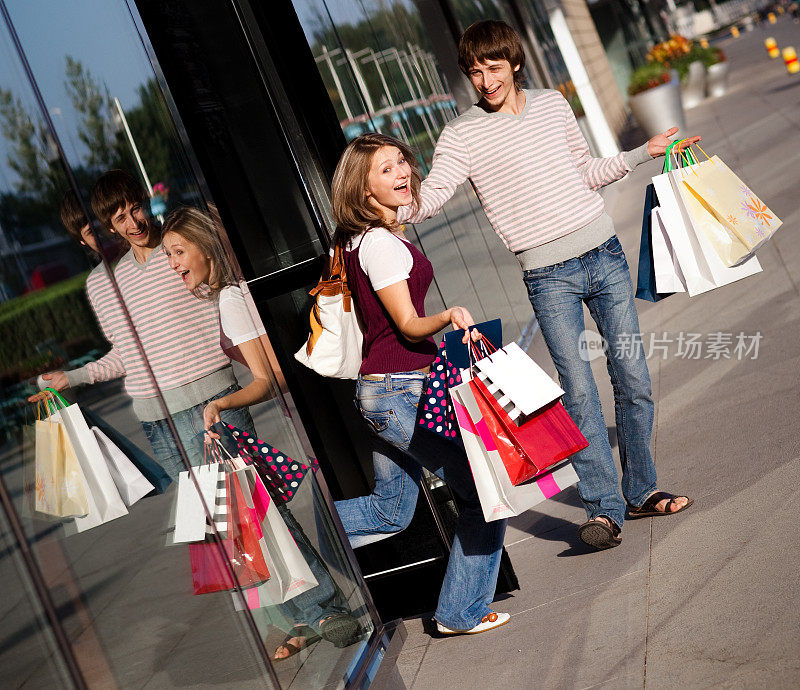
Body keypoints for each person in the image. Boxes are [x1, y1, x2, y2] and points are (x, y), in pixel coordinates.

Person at [395, 20, 695, 550]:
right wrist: (395, 203)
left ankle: (641, 490)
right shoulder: (462, 134)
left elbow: (584, 170)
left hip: (604, 254)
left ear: (513, 62)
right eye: (473, 71)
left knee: (633, 377)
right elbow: (433, 194)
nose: (484, 80)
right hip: (547, 275)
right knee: (577, 391)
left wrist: (644, 152)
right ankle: (604, 510)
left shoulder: (554, 105)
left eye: (492, 67)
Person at [161, 207, 361, 660]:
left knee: (275, 517)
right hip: (325, 399)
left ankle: (328, 605)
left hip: (313, 408)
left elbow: (267, 379)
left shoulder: (231, 300)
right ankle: (317, 608)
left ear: (204, 246)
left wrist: (220, 403)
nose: (173, 264)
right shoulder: (234, 291)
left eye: (177, 251)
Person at [330, 132, 509, 635]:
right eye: (385, 170)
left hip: (390, 388)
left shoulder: (362, 242)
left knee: (391, 512)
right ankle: (459, 611)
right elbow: (407, 325)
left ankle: (308, 534)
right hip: (400, 390)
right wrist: (448, 315)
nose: (402, 171)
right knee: (482, 492)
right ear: (363, 192)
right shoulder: (381, 245)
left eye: (401, 161)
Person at [33, 170, 255, 479]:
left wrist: (263, 369)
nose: (134, 223)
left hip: (209, 402)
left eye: (135, 208)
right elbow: (129, 353)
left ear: (146, 202)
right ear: (110, 225)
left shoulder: (180, 248)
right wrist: (73, 377)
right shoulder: (117, 277)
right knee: (212, 523)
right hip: (157, 422)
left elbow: (229, 297)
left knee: (257, 506)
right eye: (121, 217)